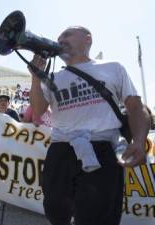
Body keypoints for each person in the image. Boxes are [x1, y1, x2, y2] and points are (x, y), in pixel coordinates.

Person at [28, 26, 150, 225]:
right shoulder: (52, 77)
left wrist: (139, 140)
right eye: (59, 37)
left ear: (87, 39)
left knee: (98, 217)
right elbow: (38, 110)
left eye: (67, 35)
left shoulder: (113, 67)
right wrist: (36, 76)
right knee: (55, 210)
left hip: (102, 151)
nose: (61, 39)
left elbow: (136, 107)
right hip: (60, 151)